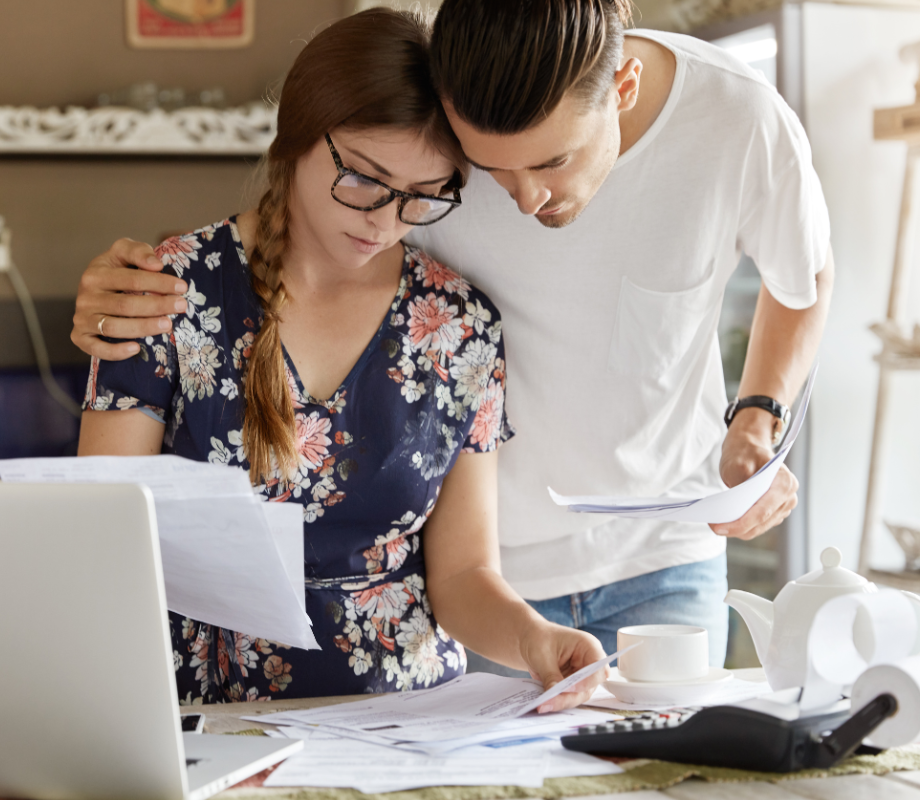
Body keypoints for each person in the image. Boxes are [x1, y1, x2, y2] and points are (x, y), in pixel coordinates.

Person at [69, 0, 834, 668]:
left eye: (552, 162)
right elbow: (98, 548)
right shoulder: (432, 144)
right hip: (471, 590)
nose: (525, 198)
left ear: (622, 91)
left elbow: (805, 280)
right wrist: (128, 285)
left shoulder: (737, 121)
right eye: (488, 175)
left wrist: (758, 414)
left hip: (655, 555)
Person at [78, 8, 606, 705]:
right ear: (297, 136)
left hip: (405, 725)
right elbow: (94, 540)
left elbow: (462, 576)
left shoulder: (458, 324)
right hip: (207, 716)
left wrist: (532, 638)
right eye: (362, 178)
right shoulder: (166, 293)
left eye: (421, 198)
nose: (383, 222)